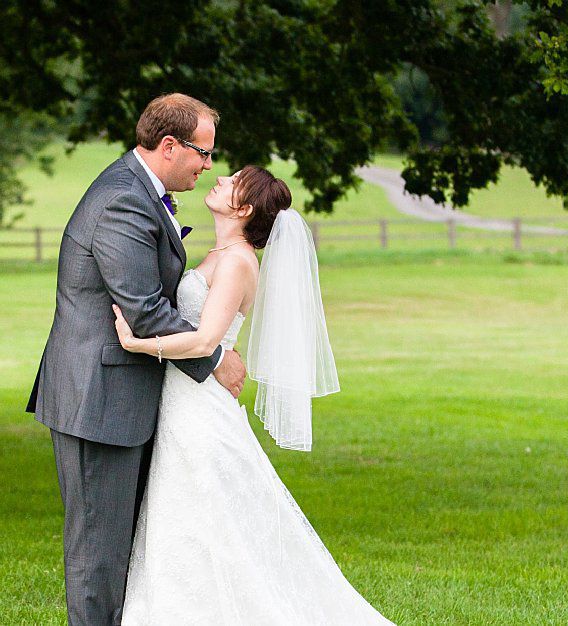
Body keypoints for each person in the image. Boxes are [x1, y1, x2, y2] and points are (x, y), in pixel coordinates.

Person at [113, 165, 394, 624]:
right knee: (186, 516)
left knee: (206, 514)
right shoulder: (218, 252)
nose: (219, 177)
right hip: (183, 400)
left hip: (200, 407)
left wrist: (137, 343)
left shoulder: (239, 261)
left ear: (242, 209)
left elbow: (205, 343)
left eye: (232, 181)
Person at [25, 93, 247, 625]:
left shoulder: (140, 190)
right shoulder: (122, 199)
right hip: (98, 403)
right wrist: (214, 358)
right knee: (99, 557)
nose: (209, 165)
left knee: (126, 550)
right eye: (203, 152)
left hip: (123, 397)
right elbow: (145, 312)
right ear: (169, 146)